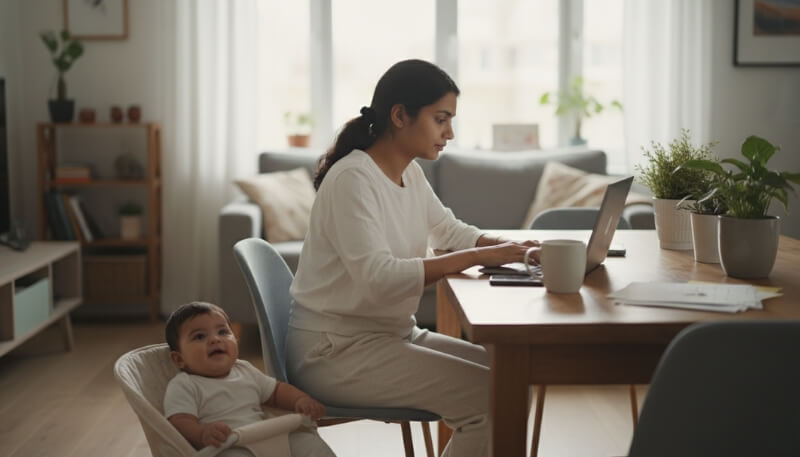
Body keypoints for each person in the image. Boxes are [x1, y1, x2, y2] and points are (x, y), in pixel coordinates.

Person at [285, 59, 540, 457]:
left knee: (511, 382)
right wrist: (481, 254)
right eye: (441, 119)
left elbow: (450, 231)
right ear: (400, 115)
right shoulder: (353, 179)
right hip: (334, 351)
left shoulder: (410, 173)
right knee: (490, 401)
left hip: (389, 335)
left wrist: (515, 249)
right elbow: (379, 278)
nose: (450, 133)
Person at [163, 301, 336, 457]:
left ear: (236, 341)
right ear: (179, 359)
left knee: (308, 443)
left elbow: (276, 391)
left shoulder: (244, 370)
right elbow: (180, 421)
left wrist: (300, 400)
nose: (215, 339)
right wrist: (201, 434)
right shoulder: (184, 384)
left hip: (264, 436)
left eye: (223, 332)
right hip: (226, 447)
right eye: (200, 336)